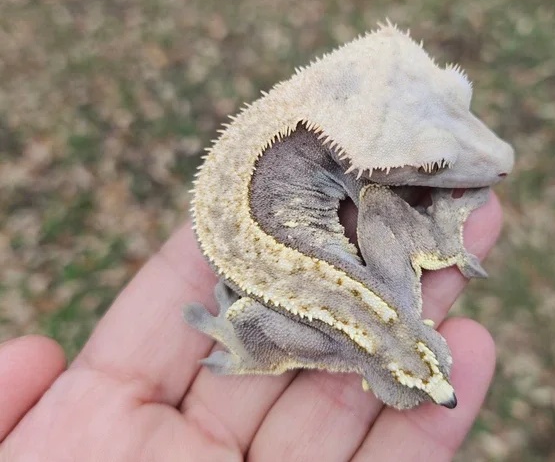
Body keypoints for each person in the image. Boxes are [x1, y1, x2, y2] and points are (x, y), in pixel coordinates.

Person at [0, 195, 502, 461]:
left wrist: (253, 348)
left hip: (273, 221)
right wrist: (250, 347)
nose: (442, 391)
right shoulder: (374, 313)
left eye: (419, 377)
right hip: (270, 221)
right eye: (432, 370)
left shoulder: (385, 302)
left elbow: (373, 208)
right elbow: (250, 319)